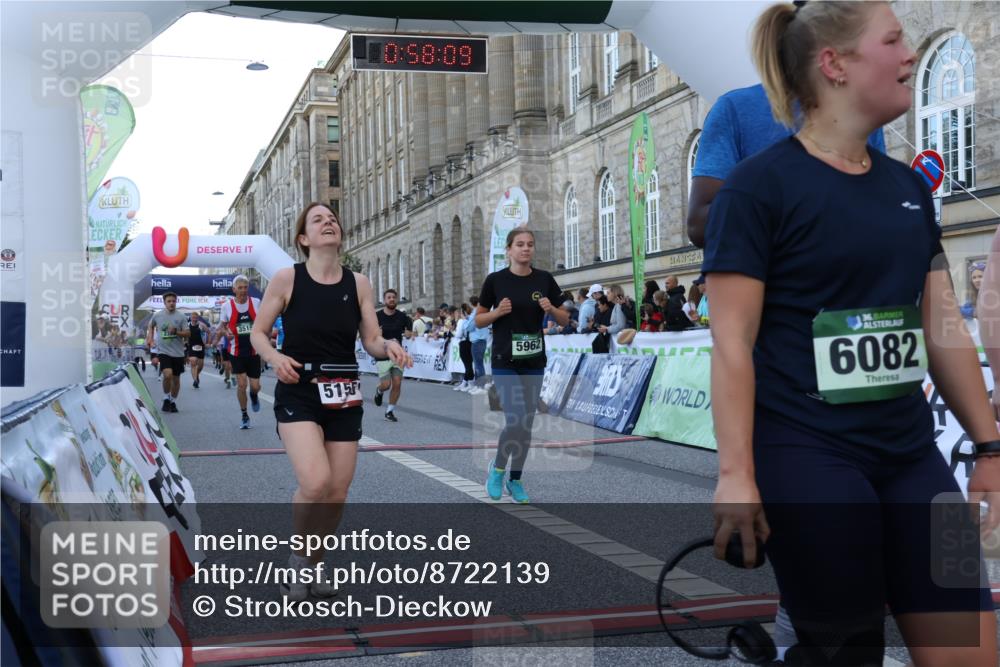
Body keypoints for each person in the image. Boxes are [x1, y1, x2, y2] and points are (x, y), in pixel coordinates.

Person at [706, 3, 999, 665]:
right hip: (809, 460)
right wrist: (735, 474)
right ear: (834, 65)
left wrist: (990, 445)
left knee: (974, 648)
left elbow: (941, 322)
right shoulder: (756, 190)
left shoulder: (906, 189)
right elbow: (730, 341)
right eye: (892, 40)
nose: (908, 55)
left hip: (913, 460)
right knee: (845, 653)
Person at [249, 202, 411, 601]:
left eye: (333, 218)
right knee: (315, 482)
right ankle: (296, 564)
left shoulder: (358, 283)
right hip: (299, 387)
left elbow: (370, 339)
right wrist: (274, 357)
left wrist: (388, 345)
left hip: (344, 390)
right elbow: (258, 333)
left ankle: (314, 563)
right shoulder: (287, 278)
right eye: (318, 219)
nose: (329, 222)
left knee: (337, 491)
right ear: (303, 238)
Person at [476, 227, 569, 503]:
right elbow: (478, 320)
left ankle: (515, 480)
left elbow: (565, 320)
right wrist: (497, 312)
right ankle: (497, 469)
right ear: (509, 249)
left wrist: (551, 309)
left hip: (534, 361)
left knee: (526, 424)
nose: (525, 248)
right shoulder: (495, 281)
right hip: (505, 360)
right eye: (519, 244)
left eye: (529, 244)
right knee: (515, 418)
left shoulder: (544, 279)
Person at [216, 275, 263, 429]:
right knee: (241, 384)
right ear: (234, 289)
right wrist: (225, 333)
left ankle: (254, 396)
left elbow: (263, 321)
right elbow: (222, 327)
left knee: (255, 386)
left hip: (254, 351)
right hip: (236, 352)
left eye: (245, 287)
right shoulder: (226, 306)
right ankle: (244, 414)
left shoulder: (256, 303)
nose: (243, 290)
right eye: (240, 288)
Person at [146, 292, 189, 413]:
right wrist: (149, 338)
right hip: (163, 351)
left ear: (176, 302)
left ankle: (173, 401)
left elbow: (187, 333)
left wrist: (176, 332)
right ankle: (166, 398)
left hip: (178, 352)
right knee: (167, 374)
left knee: (176, 380)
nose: (171, 303)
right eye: (169, 301)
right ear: (164, 303)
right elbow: (150, 325)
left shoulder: (181, 317)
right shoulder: (157, 315)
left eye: (173, 301)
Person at [374, 288, 412, 421]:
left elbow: (408, 333)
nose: (391, 299)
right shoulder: (377, 316)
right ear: (384, 300)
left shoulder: (402, 317)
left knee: (397, 383)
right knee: (386, 385)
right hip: (382, 355)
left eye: (394, 297)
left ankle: (389, 411)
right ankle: (379, 391)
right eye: (389, 297)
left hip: (397, 355)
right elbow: (373, 336)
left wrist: (409, 333)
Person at [467, 296, 490, 395]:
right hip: (482, 340)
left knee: (478, 364)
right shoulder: (484, 312)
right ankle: (478, 385)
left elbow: (469, 327)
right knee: (477, 364)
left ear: (471, 304)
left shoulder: (475, 313)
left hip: (477, 340)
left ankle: (482, 385)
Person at [454, 303, 476, 392]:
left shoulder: (461, 321)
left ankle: (471, 383)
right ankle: (465, 382)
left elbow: (458, 334)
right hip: (472, 342)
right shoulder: (472, 319)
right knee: (469, 363)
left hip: (464, 342)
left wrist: (454, 333)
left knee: (467, 364)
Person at [186, 312, 209, 389]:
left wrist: (208, 343)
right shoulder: (187, 325)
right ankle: (195, 380)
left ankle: (196, 375)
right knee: (193, 362)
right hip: (191, 346)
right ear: (190, 317)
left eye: (196, 317)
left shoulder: (201, 325)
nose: (194, 318)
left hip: (201, 346)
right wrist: (184, 342)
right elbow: (183, 334)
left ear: (197, 318)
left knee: (200, 366)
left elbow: (209, 332)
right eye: (193, 317)